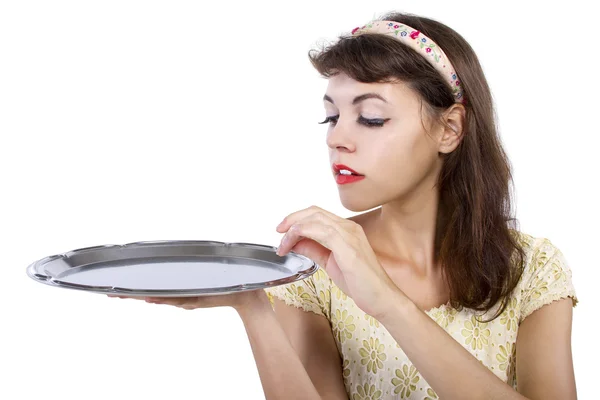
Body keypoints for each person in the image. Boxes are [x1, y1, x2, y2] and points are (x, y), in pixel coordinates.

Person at [112, 11, 578, 399]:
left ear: (449, 129)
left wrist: (389, 304)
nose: (337, 138)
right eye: (332, 115)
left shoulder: (533, 268)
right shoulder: (313, 269)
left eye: (371, 118)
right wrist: (253, 305)